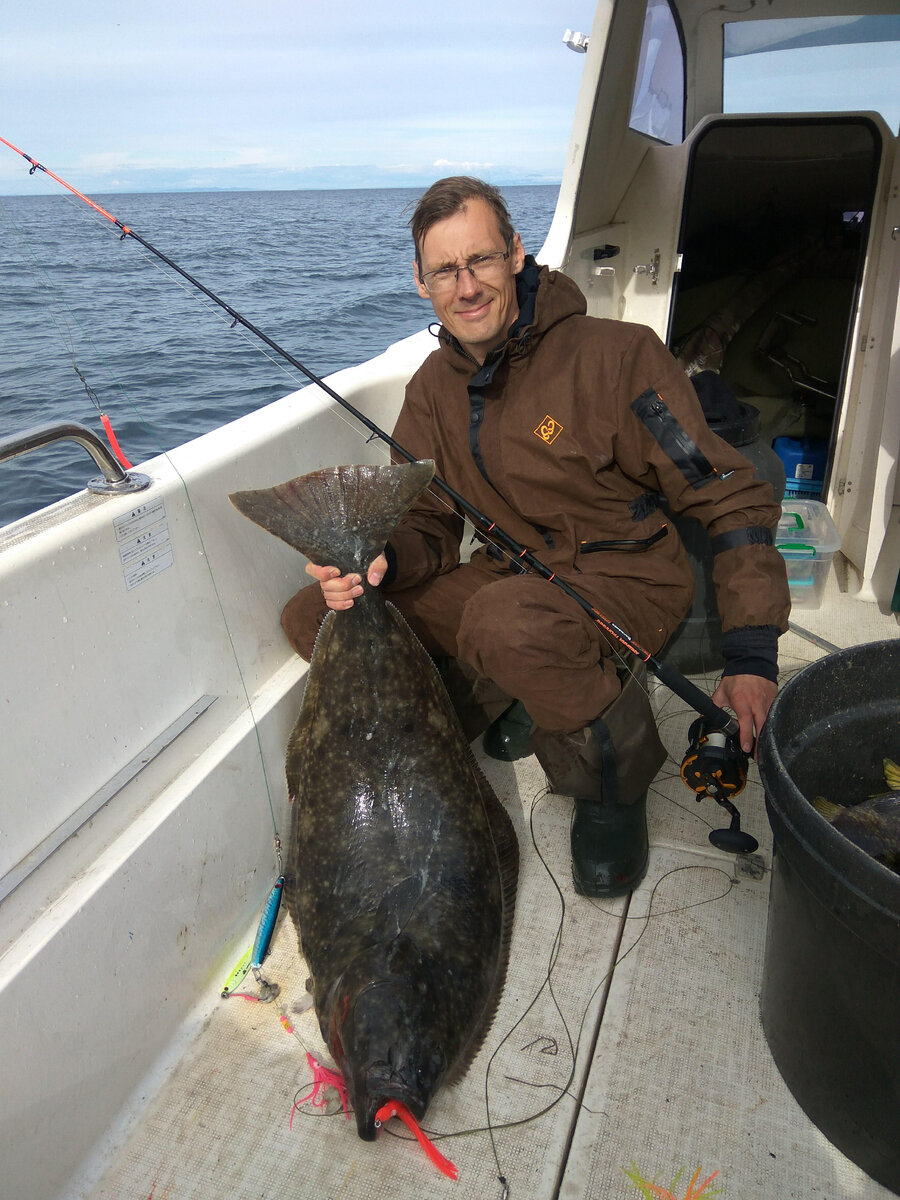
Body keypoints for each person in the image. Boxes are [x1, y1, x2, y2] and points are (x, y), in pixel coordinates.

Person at [281, 177, 791, 898]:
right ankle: (481, 714)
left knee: (506, 622)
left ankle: (613, 787)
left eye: (481, 260)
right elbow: (427, 518)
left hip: (627, 572)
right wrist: (382, 562)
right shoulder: (431, 388)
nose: (466, 287)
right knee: (317, 617)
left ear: (517, 253)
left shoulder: (619, 356)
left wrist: (751, 653)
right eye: (444, 271)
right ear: (421, 282)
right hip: (509, 575)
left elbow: (726, 492)